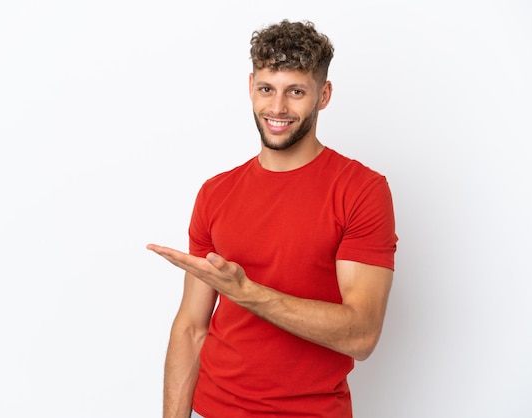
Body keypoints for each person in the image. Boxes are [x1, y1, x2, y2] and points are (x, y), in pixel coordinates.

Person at [147, 19, 398, 418]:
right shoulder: (216, 192)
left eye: (296, 92)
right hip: (214, 409)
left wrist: (245, 291)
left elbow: (361, 334)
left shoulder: (361, 190)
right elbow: (191, 327)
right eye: (267, 89)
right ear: (251, 87)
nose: (277, 108)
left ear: (324, 94)